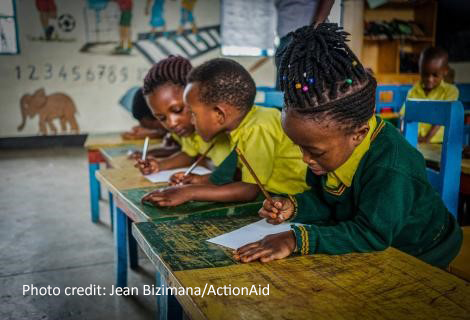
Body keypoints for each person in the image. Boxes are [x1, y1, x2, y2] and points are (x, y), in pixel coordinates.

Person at [234, 24, 462, 268]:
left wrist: (296, 239)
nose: (305, 159)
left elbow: (371, 234)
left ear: (359, 134)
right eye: (300, 147)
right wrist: (294, 206)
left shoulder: (391, 167)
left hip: (423, 251)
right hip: (377, 242)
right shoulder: (331, 149)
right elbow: (328, 203)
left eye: (314, 151)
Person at [141, 58, 309, 207]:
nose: (191, 121)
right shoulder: (239, 126)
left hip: (299, 201)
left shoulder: (256, 128)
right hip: (276, 198)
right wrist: (202, 180)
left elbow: (248, 190)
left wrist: (189, 192)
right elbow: (237, 172)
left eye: (193, 113)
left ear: (220, 114)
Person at [135, 56, 231, 180]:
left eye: (177, 110)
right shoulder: (191, 130)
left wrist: (199, 182)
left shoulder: (226, 126)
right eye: (162, 118)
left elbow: (239, 176)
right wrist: (159, 165)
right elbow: (189, 154)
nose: (171, 123)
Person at [400, 47, 459, 143]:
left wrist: (427, 139)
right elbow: (404, 115)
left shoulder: (451, 91)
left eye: (435, 75)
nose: (429, 79)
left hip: (440, 143)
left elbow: (442, 117)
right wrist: (404, 133)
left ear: (445, 71)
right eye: (424, 74)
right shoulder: (413, 91)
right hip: (415, 141)